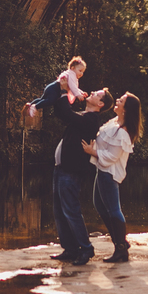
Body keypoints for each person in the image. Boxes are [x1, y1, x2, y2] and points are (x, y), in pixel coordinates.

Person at [41, 88, 115, 266]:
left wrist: (67, 90)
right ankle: (70, 248)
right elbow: (61, 113)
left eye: (96, 94)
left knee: (71, 211)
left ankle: (86, 248)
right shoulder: (83, 115)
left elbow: (66, 113)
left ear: (100, 104)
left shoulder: (91, 120)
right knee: (59, 211)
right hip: (62, 168)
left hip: (71, 171)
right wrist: (58, 92)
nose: (91, 92)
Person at [82, 92, 142, 263]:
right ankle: (121, 242)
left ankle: (121, 249)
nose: (117, 101)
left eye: (121, 100)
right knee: (100, 206)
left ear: (126, 109)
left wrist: (92, 151)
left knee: (113, 209)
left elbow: (111, 157)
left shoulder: (123, 133)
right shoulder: (113, 123)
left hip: (109, 174)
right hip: (102, 171)